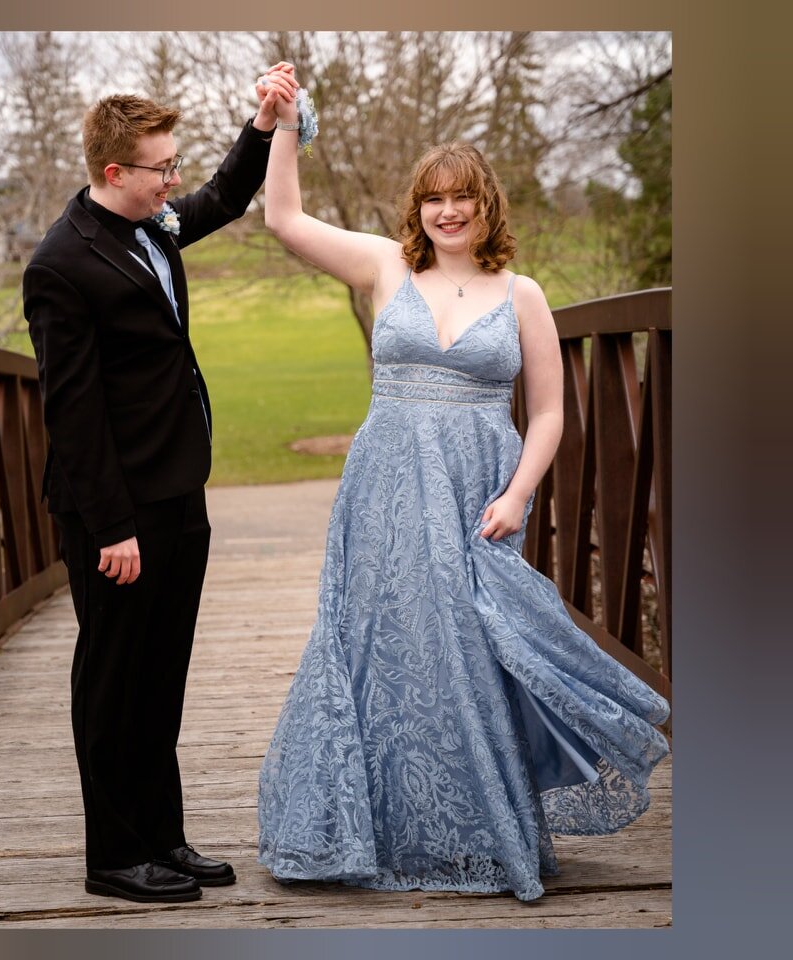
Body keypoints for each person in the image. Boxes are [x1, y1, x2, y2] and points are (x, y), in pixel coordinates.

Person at [256, 69, 670, 902]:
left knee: (476, 653)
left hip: (477, 488)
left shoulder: (522, 294)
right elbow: (283, 218)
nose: (448, 213)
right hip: (383, 490)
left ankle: (483, 826)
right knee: (387, 649)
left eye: (463, 200)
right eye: (433, 200)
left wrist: (518, 494)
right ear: (418, 209)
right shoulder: (381, 267)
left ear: (487, 207)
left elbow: (550, 413)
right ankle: (372, 826)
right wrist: (287, 125)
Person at [23, 65, 300, 904]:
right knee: (114, 680)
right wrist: (111, 528)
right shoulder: (61, 267)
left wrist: (262, 124)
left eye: (173, 163)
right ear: (116, 173)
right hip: (118, 511)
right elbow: (72, 417)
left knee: (162, 674)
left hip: (179, 491)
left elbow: (222, 196)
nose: (174, 179)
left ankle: (161, 837)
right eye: (161, 168)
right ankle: (113, 855)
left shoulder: (152, 223)